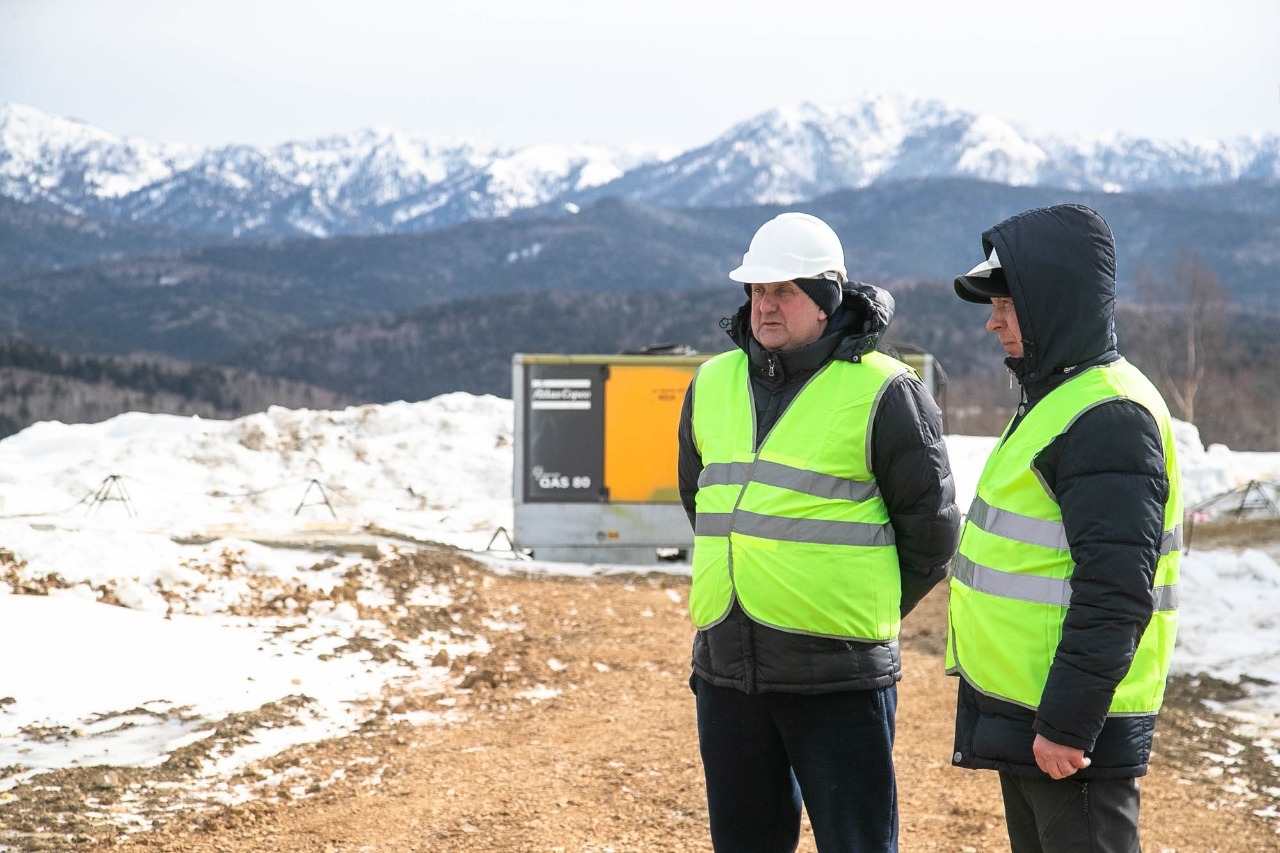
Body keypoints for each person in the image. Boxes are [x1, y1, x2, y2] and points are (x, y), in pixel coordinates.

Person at [677, 211, 961, 853]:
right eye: (756, 290)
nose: (765, 305)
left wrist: (847, 605)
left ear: (827, 300)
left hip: (839, 675)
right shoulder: (712, 382)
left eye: (783, 291)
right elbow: (703, 503)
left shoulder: (887, 392)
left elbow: (932, 535)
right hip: (729, 669)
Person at [946, 203, 1183, 853]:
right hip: (1035, 720)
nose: (992, 320)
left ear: (1052, 299)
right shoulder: (1058, 398)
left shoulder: (1107, 415)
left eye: (1006, 302)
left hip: (1069, 737)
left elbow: (1116, 590)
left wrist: (1069, 724)